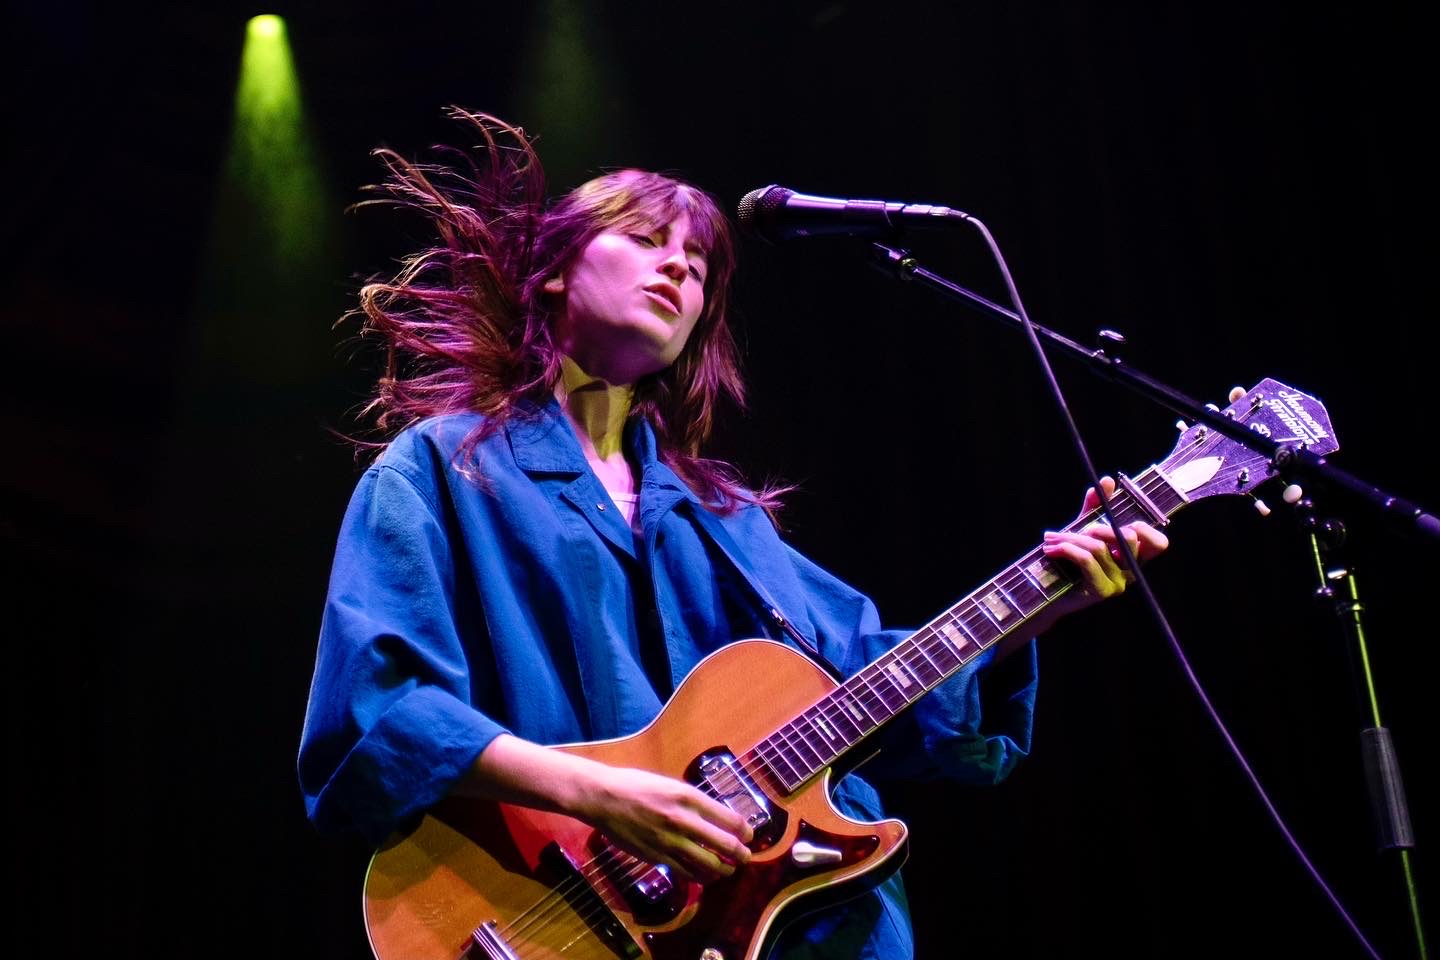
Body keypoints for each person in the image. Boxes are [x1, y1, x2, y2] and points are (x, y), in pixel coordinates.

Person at [297, 108, 1168, 959]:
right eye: (646, 240)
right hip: (541, 914)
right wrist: (597, 793)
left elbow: (873, 687)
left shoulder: (725, 519)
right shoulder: (445, 469)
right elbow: (378, 709)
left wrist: (1042, 602)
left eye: (700, 265)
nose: (678, 268)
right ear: (555, 271)